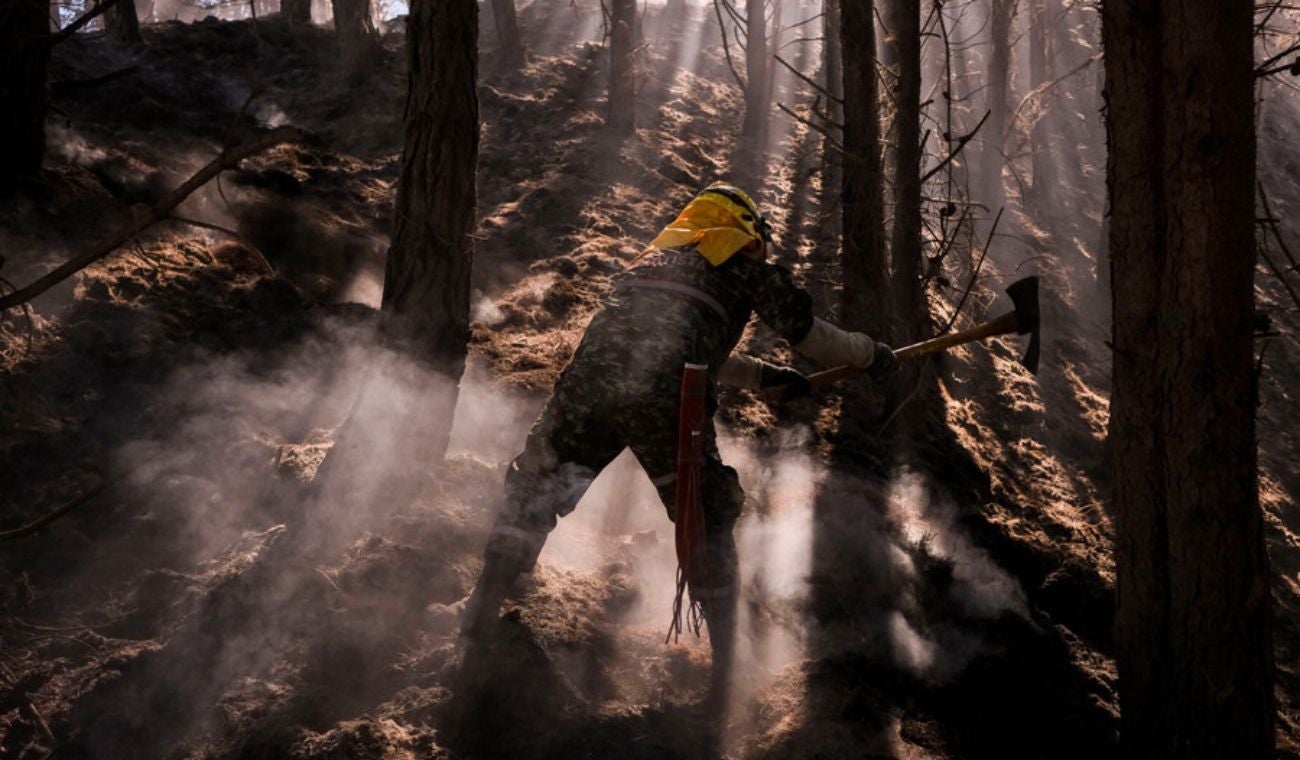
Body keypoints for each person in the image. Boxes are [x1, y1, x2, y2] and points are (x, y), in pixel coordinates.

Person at [458, 182, 897, 705]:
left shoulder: (651, 261)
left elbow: (678, 340)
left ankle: (480, 613)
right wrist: (871, 354)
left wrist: (764, 377)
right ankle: (726, 670)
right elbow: (809, 336)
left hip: (586, 384)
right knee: (707, 511)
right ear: (747, 229)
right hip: (664, 395)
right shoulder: (742, 264)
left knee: (537, 483)